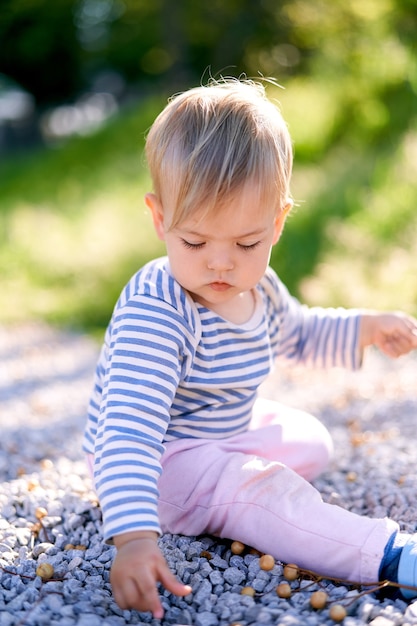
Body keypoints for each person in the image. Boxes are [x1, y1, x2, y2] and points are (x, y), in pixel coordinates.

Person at [82, 77, 417, 618]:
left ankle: (233, 490)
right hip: (163, 456)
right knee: (259, 492)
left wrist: (365, 327)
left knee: (313, 440)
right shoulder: (159, 310)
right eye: (195, 242)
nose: (221, 263)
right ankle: (387, 553)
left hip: (220, 427)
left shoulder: (257, 286)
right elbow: (128, 429)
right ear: (160, 217)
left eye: (246, 243)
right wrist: (134, 538)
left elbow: (300, 333)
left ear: (278, 222)